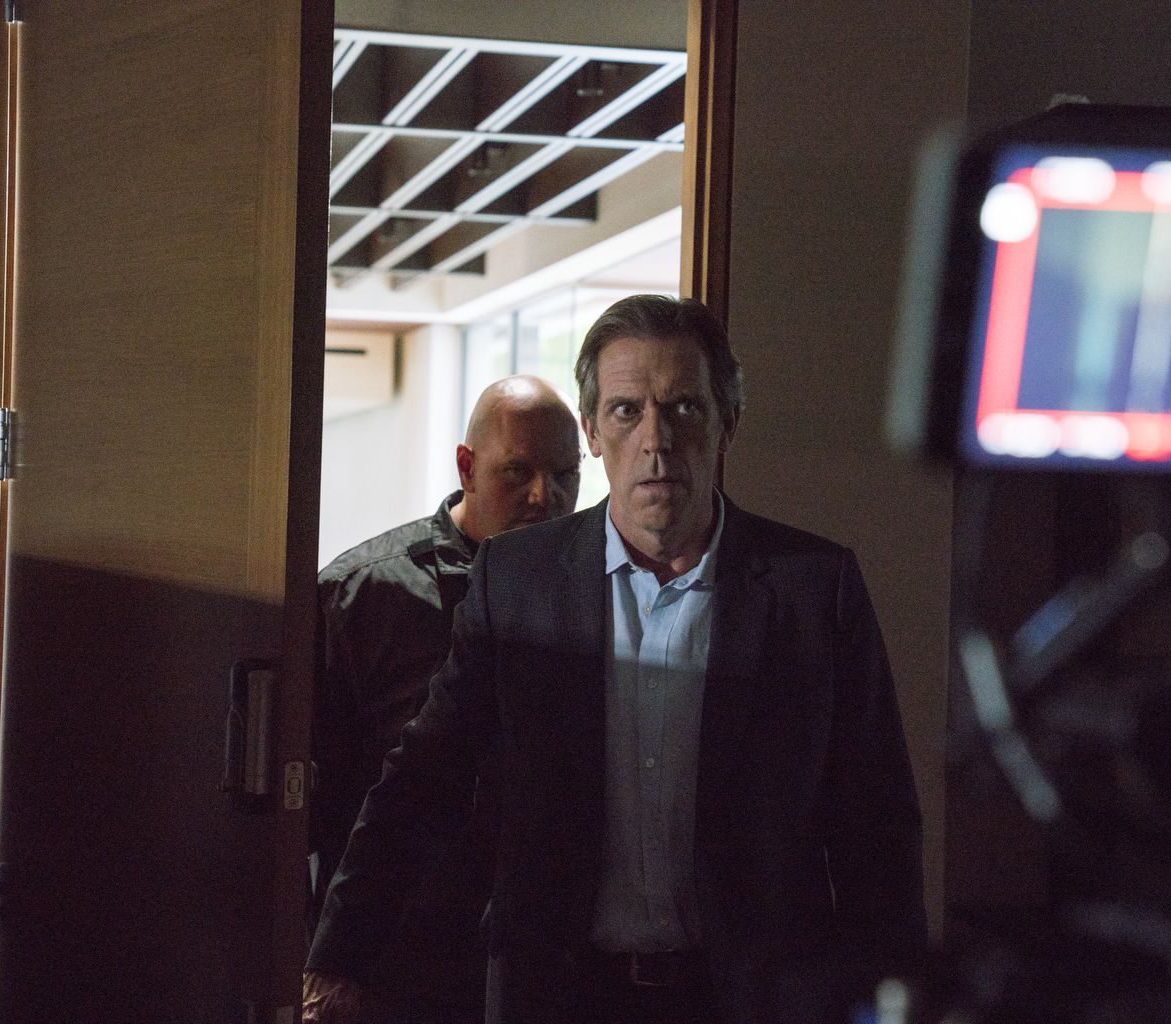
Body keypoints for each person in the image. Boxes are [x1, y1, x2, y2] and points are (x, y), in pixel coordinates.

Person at [305, 295, 926, 1024]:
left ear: (728, 422)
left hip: (751, 997)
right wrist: (340, 956)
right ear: (593, 432)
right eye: (627, 411)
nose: (656, 441)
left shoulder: (813, 589)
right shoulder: (517, 579)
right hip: (559, 993)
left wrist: (897, 1002)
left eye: (684, 407)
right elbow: (423, 778)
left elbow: (874, 824)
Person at [309, 375, 583, 1024]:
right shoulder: (362, 594)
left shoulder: (591, 590)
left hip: (539, 954)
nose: (543, 497)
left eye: (564, 475)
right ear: (466, 467)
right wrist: (328, 955)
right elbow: (311, 803)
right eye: (517, 472)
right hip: (394, 953)